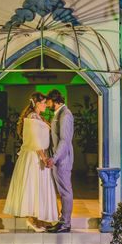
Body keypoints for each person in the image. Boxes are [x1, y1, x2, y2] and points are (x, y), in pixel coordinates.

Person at [3, 92, 58, 232]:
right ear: (37, 103)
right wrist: (43, 157)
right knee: (34, 187)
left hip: (39, 155)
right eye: (44, 102)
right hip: (35, 156)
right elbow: (35, 140)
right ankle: (32, 219)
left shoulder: (37, 117)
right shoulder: (32, 117)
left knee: (39, 187)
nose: (46, 105)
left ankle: (40, 219)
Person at [44, 89, 74, 233]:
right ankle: (62, 221)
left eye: (47, 100)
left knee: (65, 191)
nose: (46, 103)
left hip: (63, 159)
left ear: (54, 100)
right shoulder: (58, 114)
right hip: (58, 158)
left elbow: (64, 140)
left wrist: (54, 158)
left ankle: (65, 224)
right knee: (62, 191)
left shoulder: (65, 114)